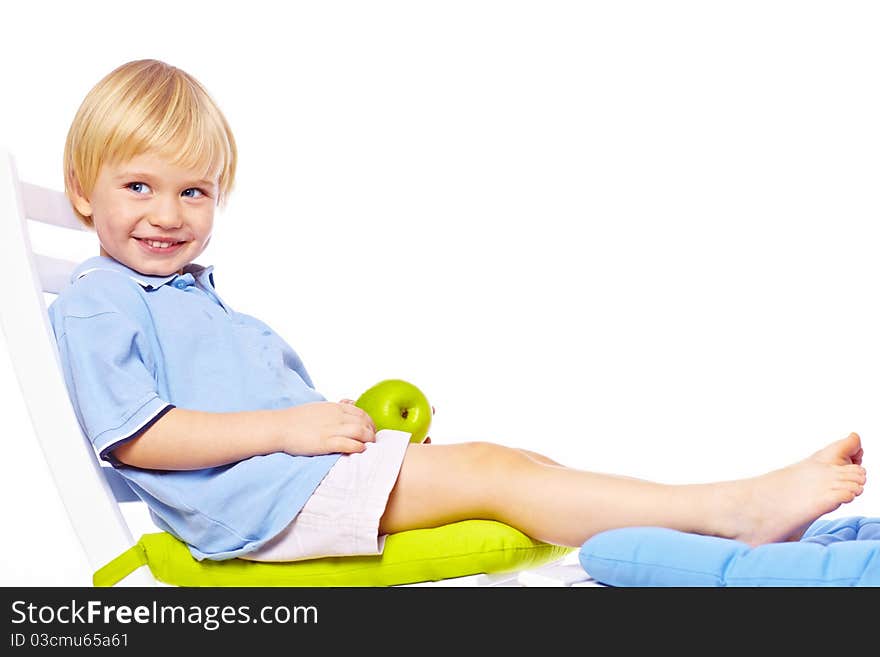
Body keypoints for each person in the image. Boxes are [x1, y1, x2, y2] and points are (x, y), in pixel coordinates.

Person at [49, 59, 868, 563]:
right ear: (84, 191)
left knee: (516, 460)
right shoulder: (99, 301)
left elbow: (254, 407)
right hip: (261, 506)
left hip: (292, 480)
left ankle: (710, 524)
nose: (168, 214)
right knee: (494, 474)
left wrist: (342, 427)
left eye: (194, 191)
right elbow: (137, 432)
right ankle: (731, 512)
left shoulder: (189, 293)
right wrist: (292, 430)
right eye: (138, 186)